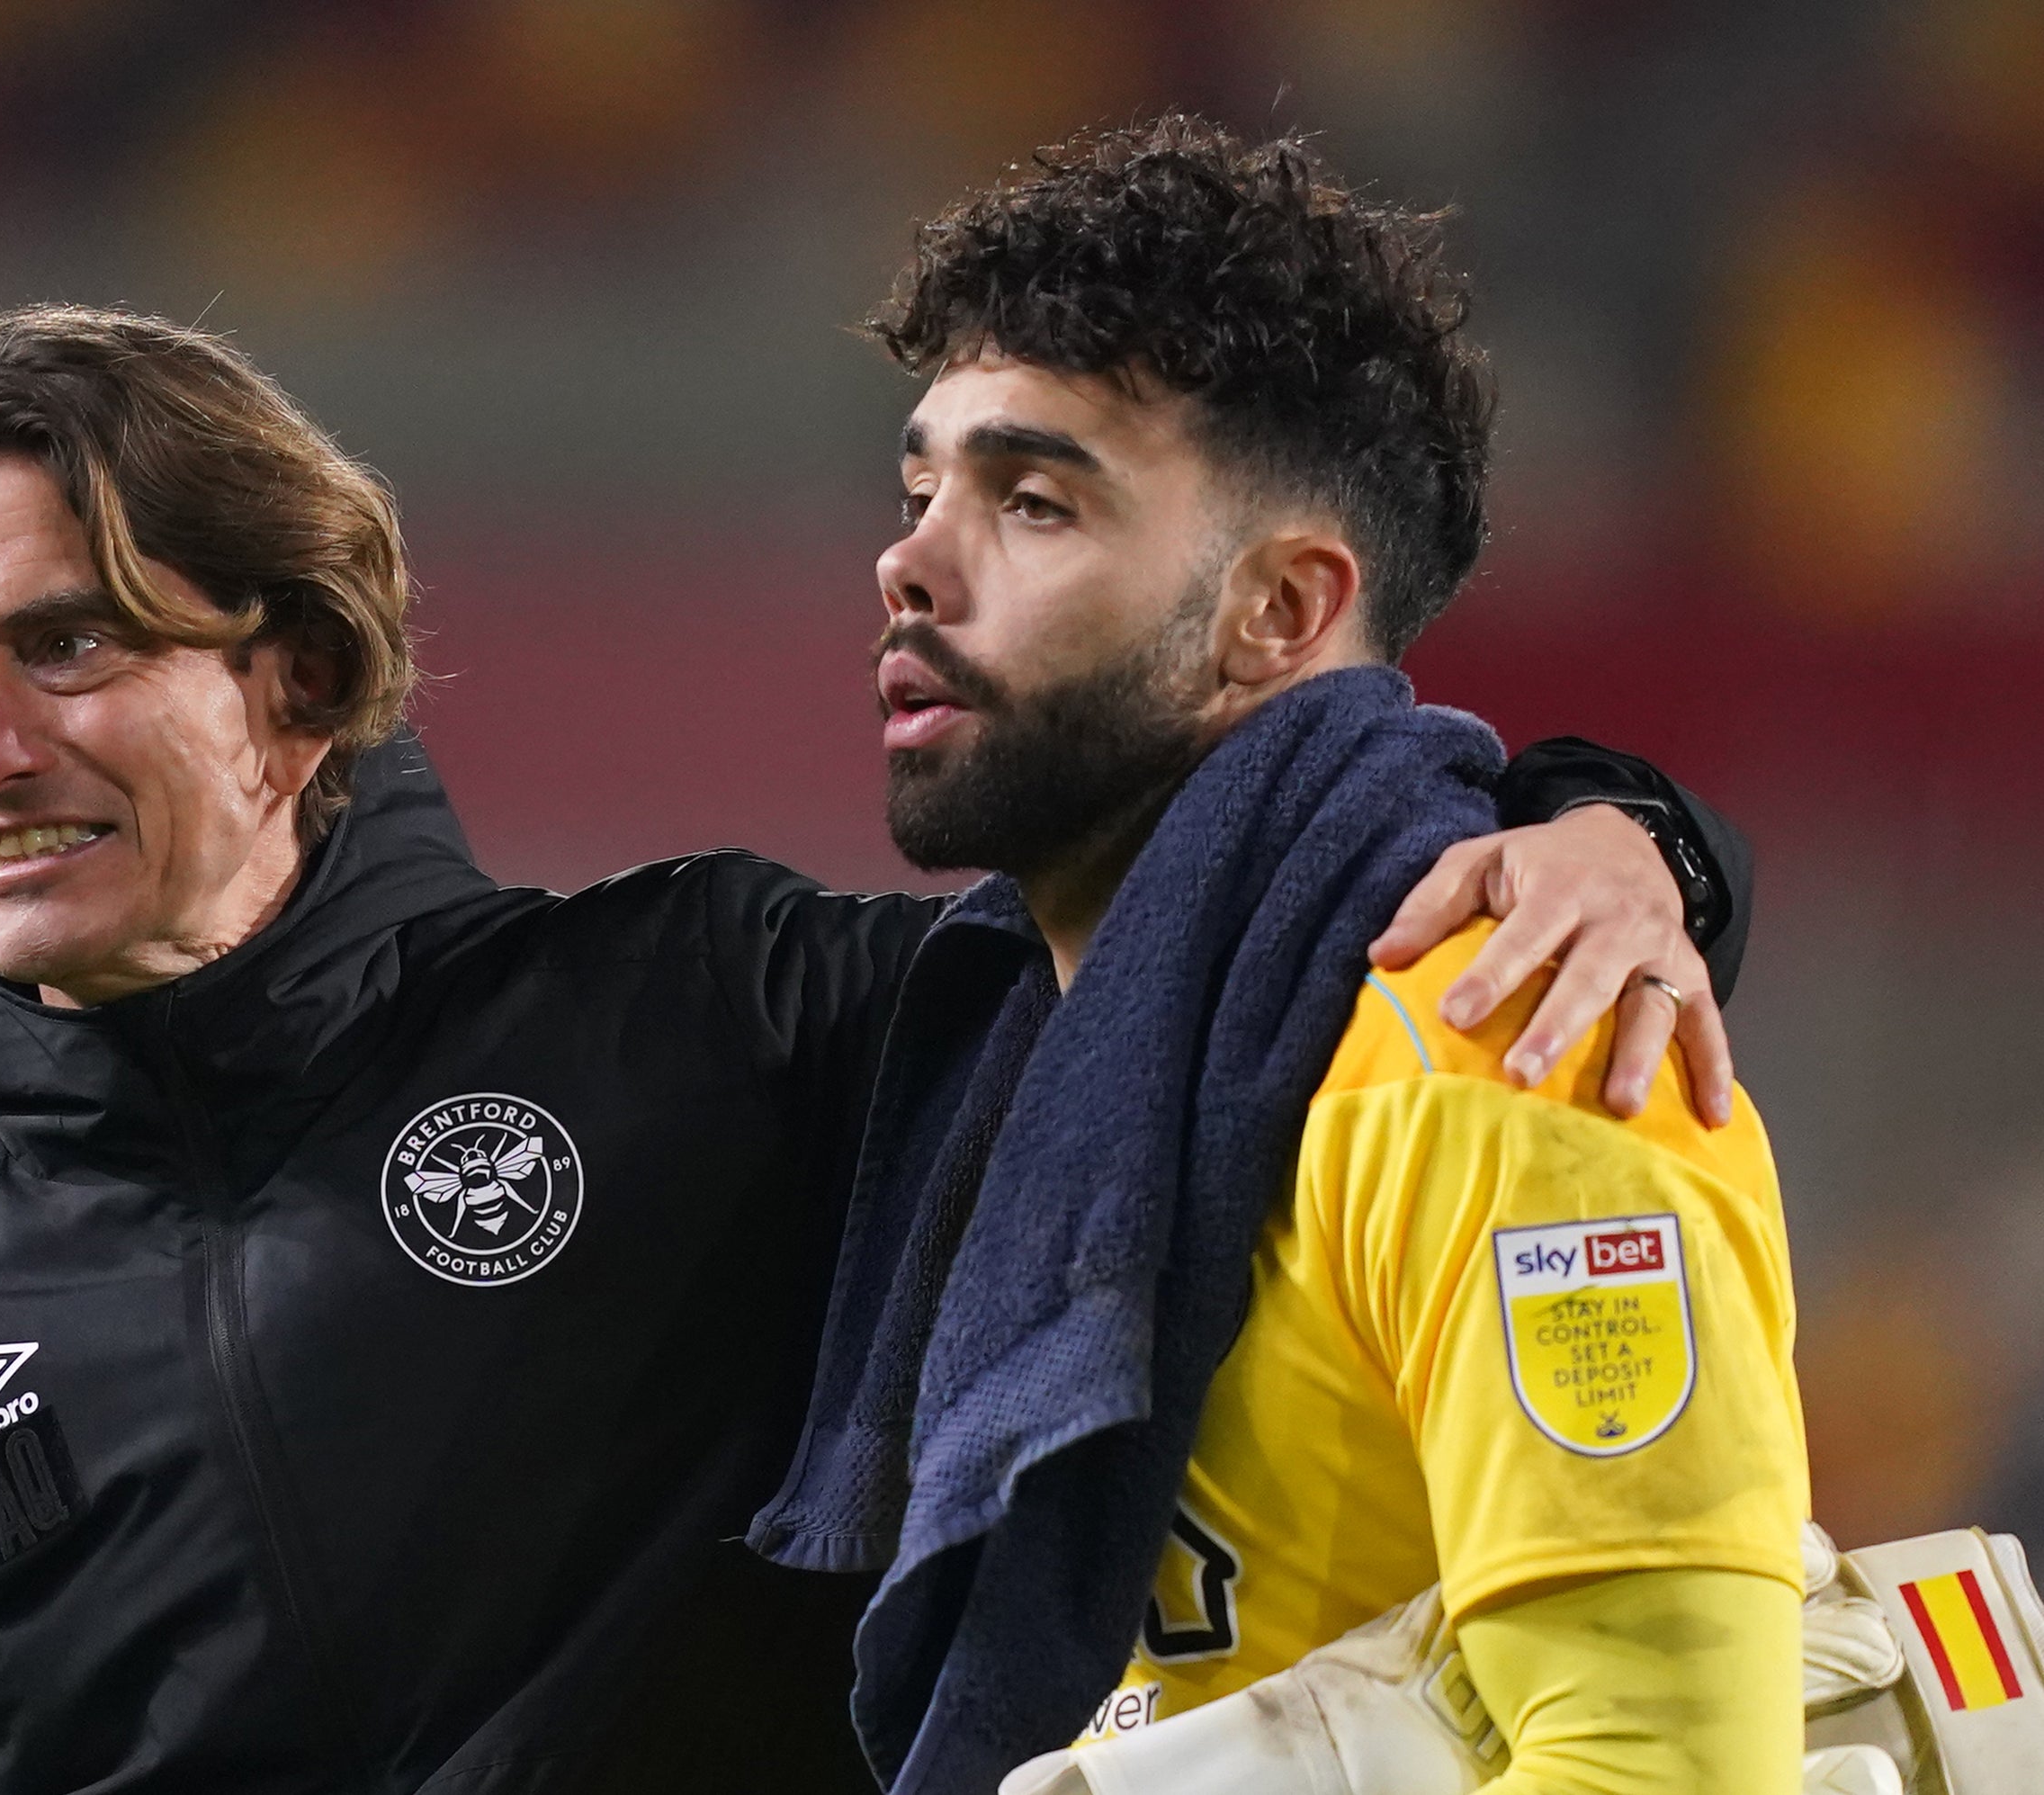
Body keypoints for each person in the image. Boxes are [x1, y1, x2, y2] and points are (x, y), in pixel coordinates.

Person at [0, 304, 1743, 1793]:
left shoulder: (701, 1011)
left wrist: (1597, 827)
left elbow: (1201, 914)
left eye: (67, 640)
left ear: (296, 675)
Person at [748, 116, 1806, 1795]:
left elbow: (1666, 1768)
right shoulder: (989, 1060)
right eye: (916, 488)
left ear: (1277, 613)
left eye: (1029, 501)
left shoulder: (1510, 1051)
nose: (907, 561)